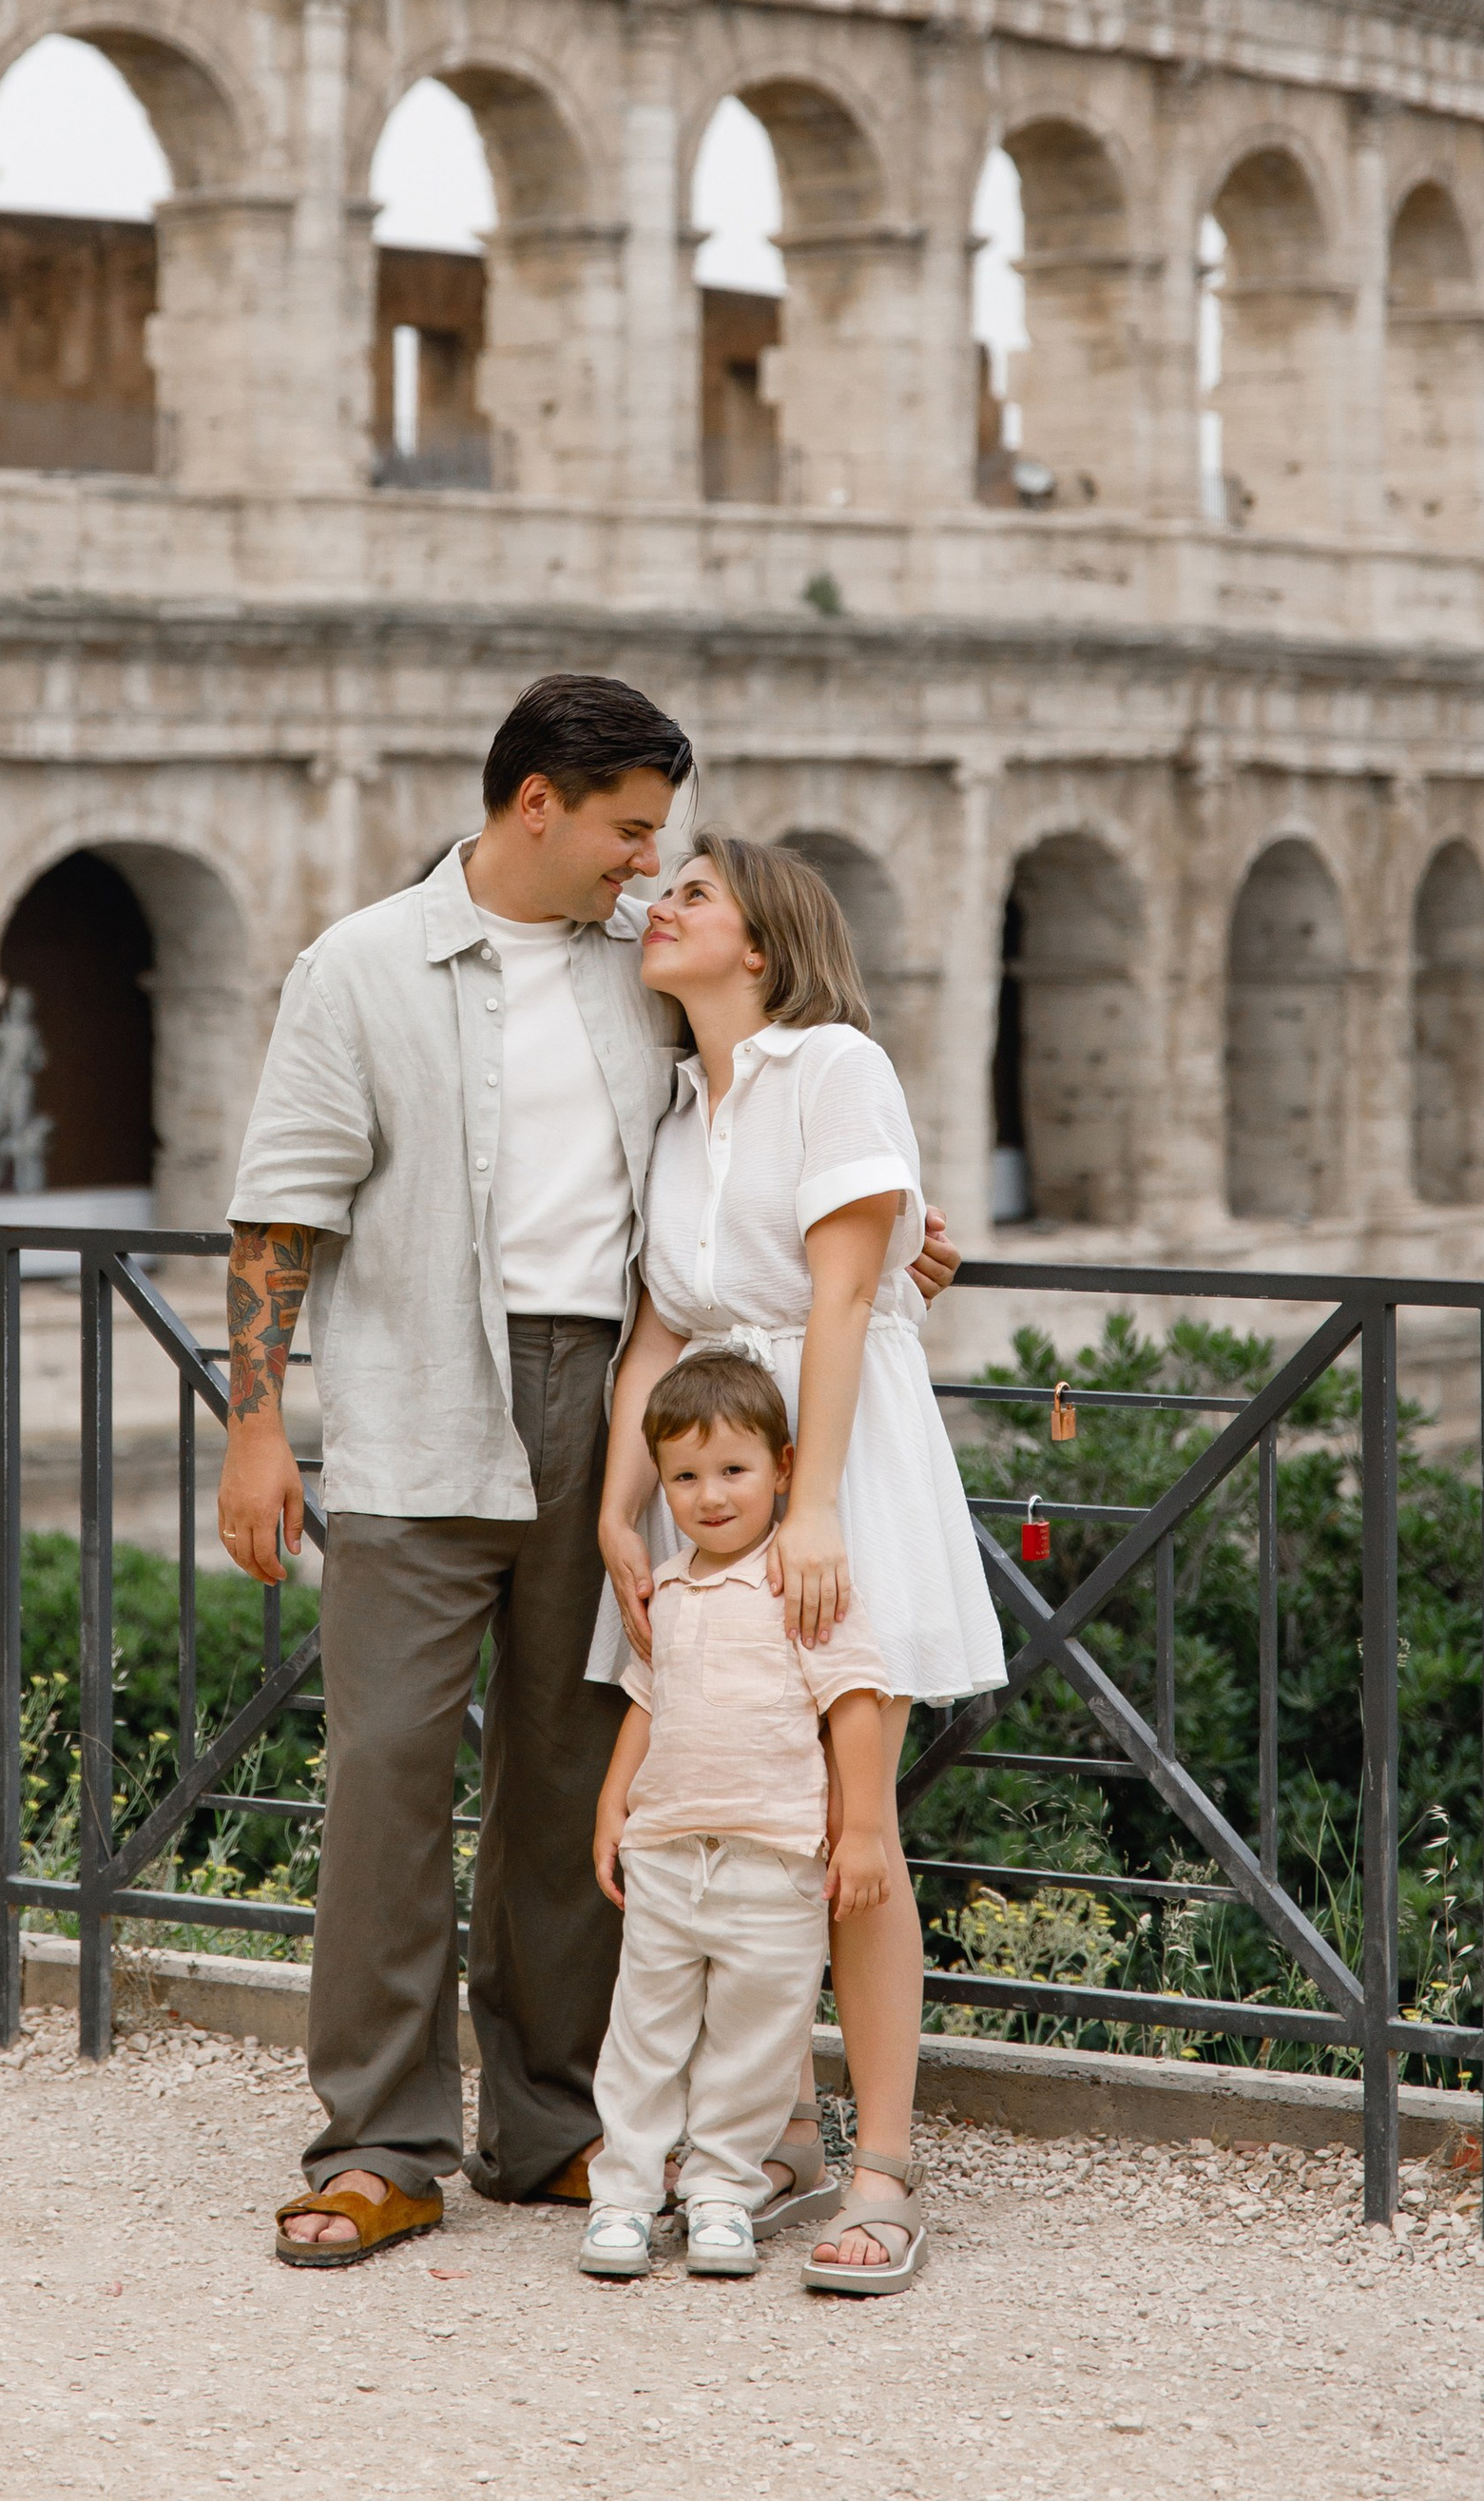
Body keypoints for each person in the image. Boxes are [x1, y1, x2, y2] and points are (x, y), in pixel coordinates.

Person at [217, 673, 963, 2268]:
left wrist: (900, 1229)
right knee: (388, 1771)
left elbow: (780, 1100)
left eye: (661, 843)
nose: (647, 863)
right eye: (630, 831)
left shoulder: (645, 964)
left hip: (627, 1408)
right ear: (536, 804)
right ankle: (379, 2145)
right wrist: (255, 1426)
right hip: (422, 1397)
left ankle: (554, 2125)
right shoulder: (360, 967)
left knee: (573, 1774)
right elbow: (281, 1208)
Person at [594, 830, 1005, 2295]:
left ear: (762, 944)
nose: (660, 905)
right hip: (712, 1469)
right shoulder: (677, 1110)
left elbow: (842, 1298)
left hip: (834, 1461)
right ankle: (765, 2137)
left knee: (851, 1827)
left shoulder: (836, 1066)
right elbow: (660, 1327)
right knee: (728, 1820)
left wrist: (815, 1509)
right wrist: (615, 1511)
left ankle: (880, 2164)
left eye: (693, 894)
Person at [580, 1346, 894, 2283]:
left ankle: (721, 2193)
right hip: (668, 1855)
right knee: (644, 2033)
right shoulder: (666, 1588)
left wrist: (862, 1831)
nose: (709, 1496)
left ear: (782, 1468)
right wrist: (612, 1805)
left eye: (732, 1470)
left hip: (775, 1862)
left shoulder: (802, 1583)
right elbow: (647, 1703)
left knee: (754, 2043)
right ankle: (624, 2196)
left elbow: (854, 1703)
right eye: (684, 1477)